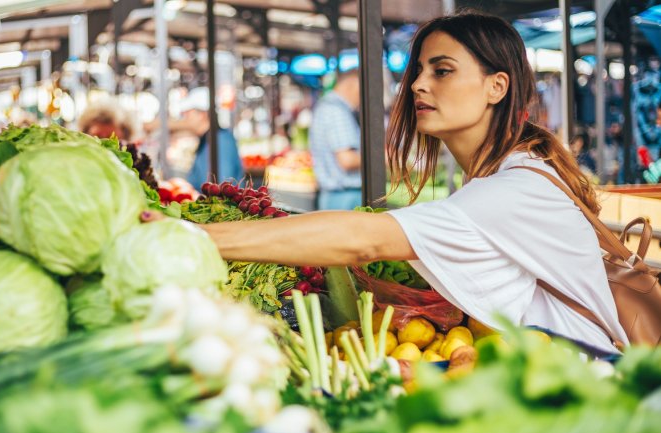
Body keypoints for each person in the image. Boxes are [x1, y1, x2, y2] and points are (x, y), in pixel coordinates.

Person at [143, 12, 627, 355]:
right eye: (418, 71)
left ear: (496, 87)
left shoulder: (513, 189)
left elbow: (362, 238)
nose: (417, 85)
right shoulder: (508, 173)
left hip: (580, 382)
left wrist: (192, 235)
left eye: (442, 71)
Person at [308, 68, 362, 210]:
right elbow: (347, 160)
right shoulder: (336, 111)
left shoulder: (327, 106)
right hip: (344, 198)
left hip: (336, 197)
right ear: (356, 85)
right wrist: (384, 158)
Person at [179, 87, 244, 191]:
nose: (185, 118)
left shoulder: (220, 142)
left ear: (202, 114)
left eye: (188, 113)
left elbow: (222, 187)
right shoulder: (207, 140)